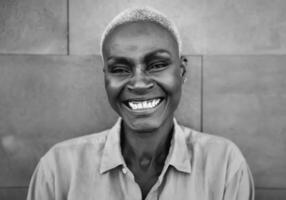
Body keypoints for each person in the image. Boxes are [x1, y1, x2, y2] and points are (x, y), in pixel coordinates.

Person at [27, 7, 254, 200]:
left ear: (182, 71)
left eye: (157, 65)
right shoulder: (58, 170)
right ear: (105, 77)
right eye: (119, 69)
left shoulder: (225, 166)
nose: (139, 83)